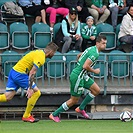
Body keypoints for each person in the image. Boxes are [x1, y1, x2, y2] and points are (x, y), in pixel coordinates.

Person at [49, 35, 107, 122]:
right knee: (74, 100)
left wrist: (79, 64)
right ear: (97, 43)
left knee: (96, 90)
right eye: (103, 43)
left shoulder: (91, 49)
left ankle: (81, 108)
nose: (104, 45)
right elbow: (85, 66)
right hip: (78, 76)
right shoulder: (94, 53)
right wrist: (95, 71)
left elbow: (79, 55)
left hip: (82, 75)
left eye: (105, 43)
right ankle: (54, 114)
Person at [0, 42, 58, 123]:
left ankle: (27, 115)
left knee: (7, 97)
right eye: (54, 53)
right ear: (51, 52)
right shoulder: (41, 58)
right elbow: (32, 72)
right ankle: (26, 115)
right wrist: (30, 88)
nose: (54, 55)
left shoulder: (38, 52)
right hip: (20, 74)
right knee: (36, 92)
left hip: (13, 71)